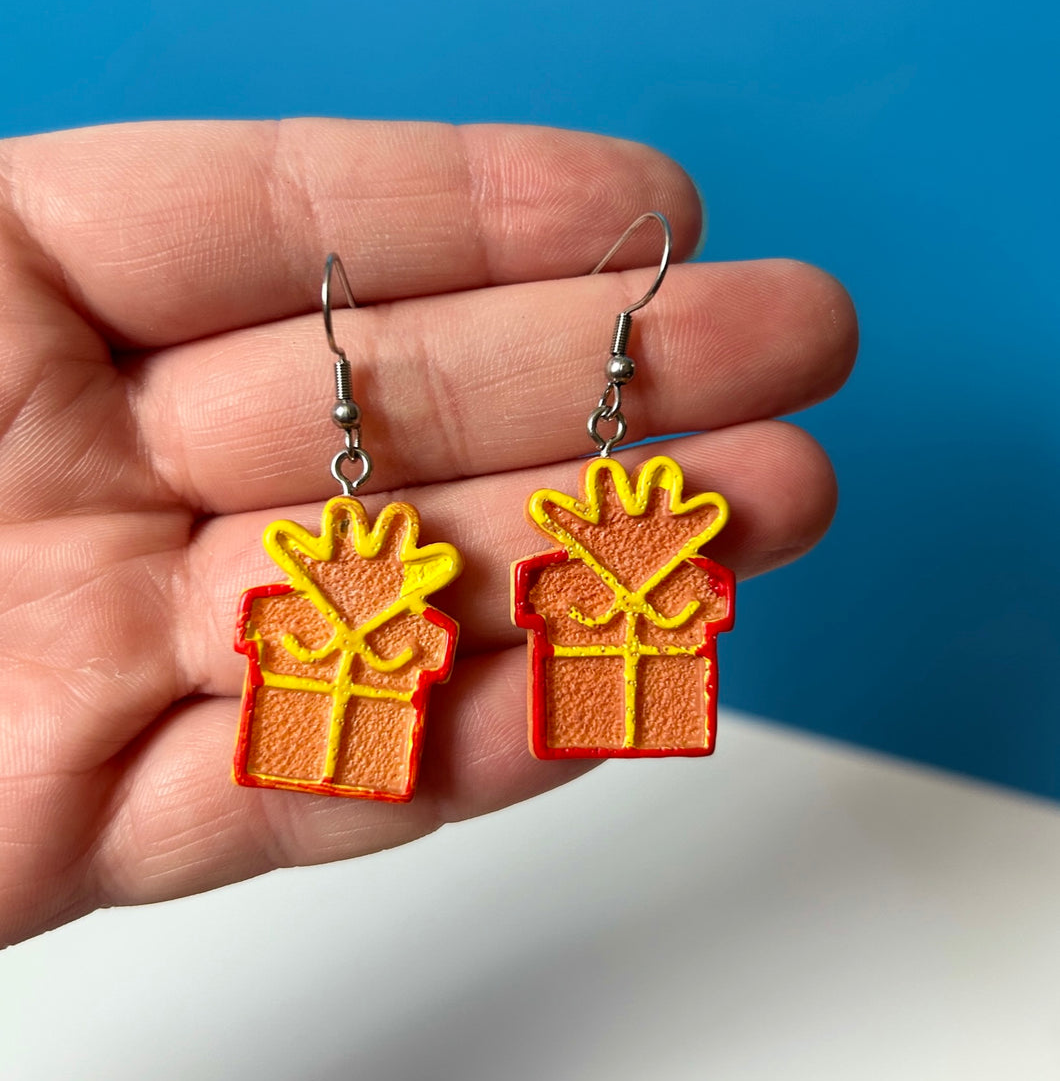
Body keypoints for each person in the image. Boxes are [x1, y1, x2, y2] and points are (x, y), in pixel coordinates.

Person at [0, 118, 857, 947]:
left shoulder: (597, 589)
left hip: (586, 664)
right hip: (341, 682)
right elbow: (384, 629)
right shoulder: (329, 614)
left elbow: (517, 616)